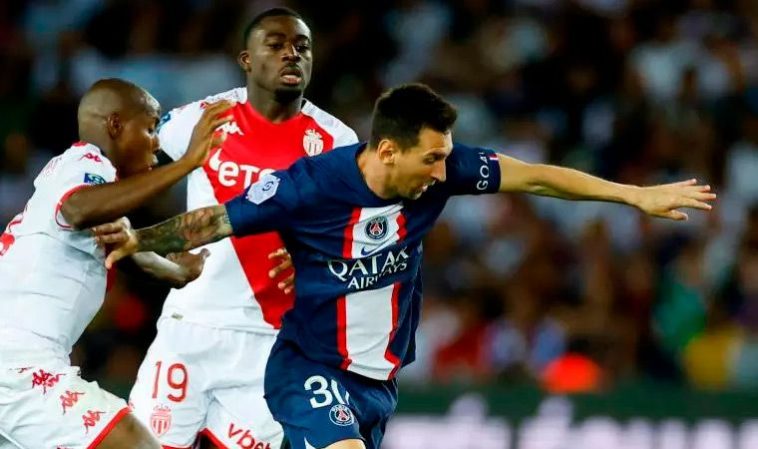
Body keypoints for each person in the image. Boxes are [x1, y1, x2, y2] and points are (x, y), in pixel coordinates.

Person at [94, 83, 717, 449]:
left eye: (446, 157)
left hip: (379, 380)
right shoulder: (312, 185)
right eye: (431, 159)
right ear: (388, 150)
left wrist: (634, 195)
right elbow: (213, 221)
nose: (443, 173)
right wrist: (137, 237)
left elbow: (536, 177)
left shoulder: (441, 172)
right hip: (310, 365)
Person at [126, 7, 358, 449]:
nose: (292, 54)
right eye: (276, 45)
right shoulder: (204, 118)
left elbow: (359, 232)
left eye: (302, 47)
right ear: (246, 60)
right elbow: (127, 157)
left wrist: (316, 258)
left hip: (272, 341)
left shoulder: (337, 142)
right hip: (191, 326)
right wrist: (131, 227)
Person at [0, 78, 231, 449]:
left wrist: (181, 272)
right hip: (19, 364)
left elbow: (126, 252)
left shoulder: (86, 190)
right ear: (115, 125)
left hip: (16, 364)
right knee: (137, 444)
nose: (157, 142)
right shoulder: (86, 163)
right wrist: (188, 163)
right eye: (150, 128)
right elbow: (77, 209)